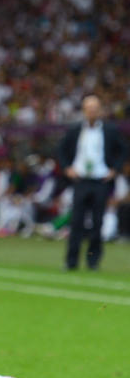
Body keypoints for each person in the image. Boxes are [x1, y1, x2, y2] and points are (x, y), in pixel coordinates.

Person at [57, 95, 128, 270]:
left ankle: (93, 261)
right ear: (83, 110)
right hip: (81, 180)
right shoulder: (75, 130)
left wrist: (115, 169)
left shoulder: (109, 130)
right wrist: (67, 167)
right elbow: (61, 149)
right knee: (76, 222)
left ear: (100, 110)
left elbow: (124, 149)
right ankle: (71, 261)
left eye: (95, 108)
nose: (92, 112)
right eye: (89, 108)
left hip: (100, 180)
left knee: (98, 222)